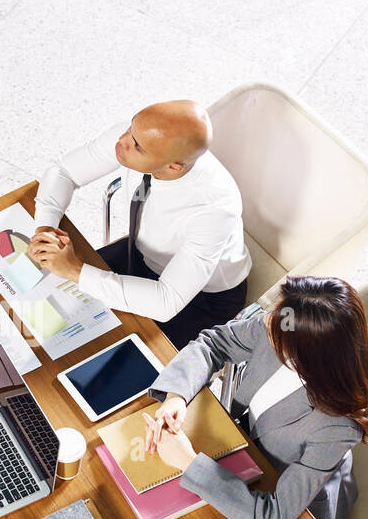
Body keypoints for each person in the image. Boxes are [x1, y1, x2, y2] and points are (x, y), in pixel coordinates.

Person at [142, 276, 368, 519]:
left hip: (283, 496)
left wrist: (188, 463)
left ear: (308, 354)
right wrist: (176, 396)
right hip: (239, 449)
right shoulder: (285, 321)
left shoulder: (337, 428)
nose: (265, 321)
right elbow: (213, 343)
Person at [28, 100, 250, 348]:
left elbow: (166, 302)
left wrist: (75, 271)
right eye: (130, 129)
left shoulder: (214, 210)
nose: (121, 142)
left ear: (173, 167)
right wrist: (45, 229)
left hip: (199, 300)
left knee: (93, 352)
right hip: (140, 255)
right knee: (39, 304)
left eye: (137, 147)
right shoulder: (139, 135)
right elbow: (63, 171)